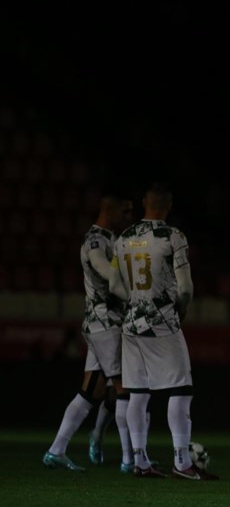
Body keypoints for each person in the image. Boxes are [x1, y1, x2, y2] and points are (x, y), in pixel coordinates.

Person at [110, 181, 217, 480]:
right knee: (181, 389)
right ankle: (182, 462)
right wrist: (180, 309)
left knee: (138, 393)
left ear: (144, 203)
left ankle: (140, 461)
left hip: (132, 323)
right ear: (168, 205)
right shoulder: (173, 236)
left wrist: (133, 301)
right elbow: (185, 287)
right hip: (162, 321)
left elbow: (114, 285)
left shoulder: (124, 237)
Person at [43, 189, 136, 473]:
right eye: (125, 211)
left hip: (102, 324)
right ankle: (130, 460)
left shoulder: (112, 239)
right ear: (110, 208)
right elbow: (108, 274)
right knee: (125, 389)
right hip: (104, 324)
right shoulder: (96, 241)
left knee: (89, 393)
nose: (128, 217)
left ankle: (56, 450)